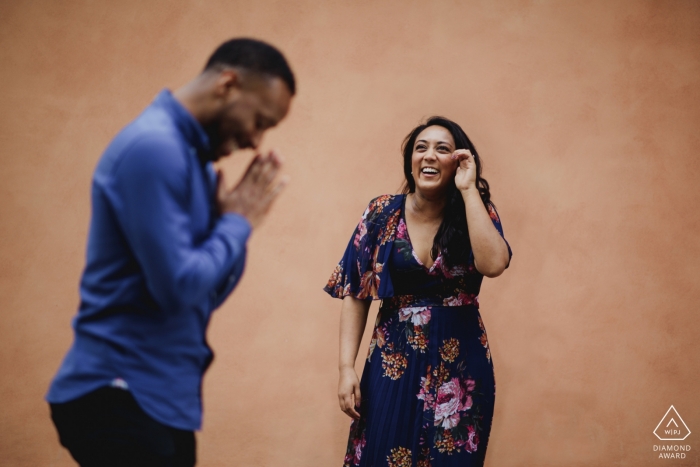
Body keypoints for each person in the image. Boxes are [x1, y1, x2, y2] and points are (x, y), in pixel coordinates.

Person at [46, 38, 295, 467]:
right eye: (259, 120)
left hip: (163, 400)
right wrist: (237, 224)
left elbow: (204, 294)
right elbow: (179, 287)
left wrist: (227, 228)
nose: (256, 141)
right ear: (228, 84)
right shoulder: (155, 148)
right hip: (121, 393)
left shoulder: (192, 160)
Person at [325, 116, 512, 467]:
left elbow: (494, 264)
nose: (429, 155)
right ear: (410, 161)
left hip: (461, 366)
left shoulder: (476, 212)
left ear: (458, 161)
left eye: (442, 149)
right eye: (420, 148)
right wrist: (345, 368)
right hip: (392, 361)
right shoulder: (381, 213)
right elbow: (356, 290)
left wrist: (469, 191)